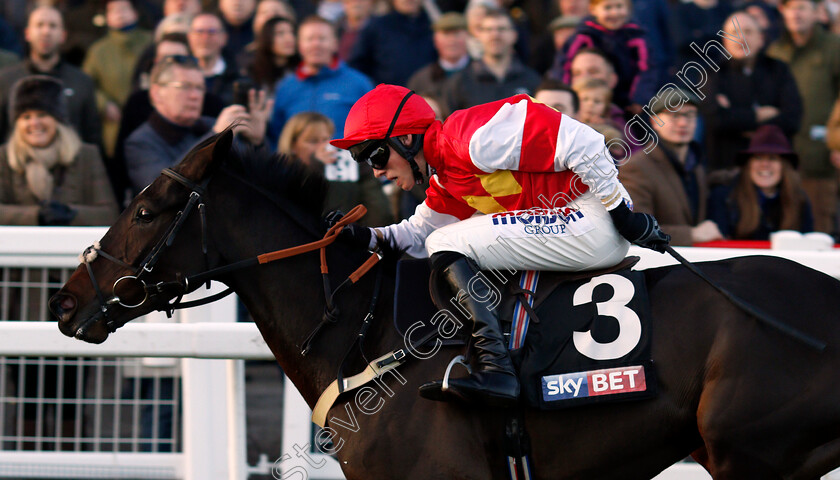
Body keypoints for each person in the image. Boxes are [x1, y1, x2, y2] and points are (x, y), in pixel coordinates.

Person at [329, 84, 669, 406]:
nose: (375, 172)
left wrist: (622, 214)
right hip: (578, 221)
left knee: (446, 241)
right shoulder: (448, 175)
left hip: (591, 218)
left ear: (405, 138)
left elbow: (588, 144)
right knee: (440, 240)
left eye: (374, 156)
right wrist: (366, 237)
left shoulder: (471, 137)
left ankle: (496, 370)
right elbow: (416, 235)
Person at [124, 56, 272, 194]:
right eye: (185, 87)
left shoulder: (213, 125)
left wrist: (256, 142)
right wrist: (214, 139)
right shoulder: (140, 142)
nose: (195, 96)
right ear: (157, 93)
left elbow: (258, 184)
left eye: (200, 88)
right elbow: (160, 191)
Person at [0, 76, 118, 226]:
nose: (34, 123)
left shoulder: (87, 155)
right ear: (17, 124)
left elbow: (109, 213)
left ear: (58, 119)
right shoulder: (3, 156)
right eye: (26, 117)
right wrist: (36, 215)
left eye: (42, 115)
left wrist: (70, 213)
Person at [767, 0, 840, 235]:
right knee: (784, 232)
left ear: (817, 12)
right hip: (781, 160)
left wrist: (837, 141)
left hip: (822, 158)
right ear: (782, 12)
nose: (795, 14)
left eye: (802, 7)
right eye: (790, 8)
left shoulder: (834, 47)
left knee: (819, 231)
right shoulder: (775, 50)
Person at [619, 91, 723, 246]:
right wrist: (692, 234)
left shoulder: (696, 165)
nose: (683, 123)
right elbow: (637, 228)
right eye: (674, 115)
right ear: (655, 121)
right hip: (656, 263)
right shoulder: (636, 167)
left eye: (690, 115)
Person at [704, 12, 802, 173]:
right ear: (724, 40)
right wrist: (758, 116)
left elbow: (792, 119)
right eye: (734, 33)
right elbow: (716, 120)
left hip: (774, 169)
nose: (741, 38)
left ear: (761, 38)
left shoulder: (779, 70)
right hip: (727, 168)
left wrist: (735, 117)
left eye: (748, 31)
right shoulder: (712, 74)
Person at [0, 6, 102, 148]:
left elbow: (92, 138)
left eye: (53, 26)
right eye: (39, 25)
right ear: (27, 33)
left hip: (72, 166)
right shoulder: (6, 80)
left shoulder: (82, 82)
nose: (46, 31)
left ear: (63, 35)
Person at [268, 15, 373, 141]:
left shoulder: (359, 84)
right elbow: (276, 137)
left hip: (344, 159)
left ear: (335, 44)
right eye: (309, 39)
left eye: (322, 39)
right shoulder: (286, 87)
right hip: (295, 161)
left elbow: (372, 132)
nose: (316, 44)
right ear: (299, 45)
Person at [278, 112, 393, 226]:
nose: (323, 147)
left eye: (325, 140)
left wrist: (363, 170)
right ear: (292, 145)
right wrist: (316, 168)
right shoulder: (281, 176)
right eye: (313, 141)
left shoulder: (346, 173)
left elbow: (379, 215)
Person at [707, 125, 813, 240]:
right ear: (748, 165)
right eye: (758, 158)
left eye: (772, 158)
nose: (764, 165)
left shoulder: (799, 199)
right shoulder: (724, 196)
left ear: (784, 167)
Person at [82, 0, 154, 159]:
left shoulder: (151, 42)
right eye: (113, 10)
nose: (119, 13)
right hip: (113, 124)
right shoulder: (98, 50)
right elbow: (86, 84)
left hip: (148, 117)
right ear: (107, 18)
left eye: (124, 9)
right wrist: (103, 104)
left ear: (135, 13)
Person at [555, 0, 654, 109]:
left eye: (619, 6)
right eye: (607, 8)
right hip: (588, 98)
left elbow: (647, 70)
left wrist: (638, 99)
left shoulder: (637, 37)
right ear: (593, 10)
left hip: (626, 102)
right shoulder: (584, 36)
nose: (614, 13)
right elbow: (564, 66)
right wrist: (567, 94)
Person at [442, 9, 540, 111]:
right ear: (479, 36)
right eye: (489, 30)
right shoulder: (459, 83)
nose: (495, 35)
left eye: (501, 29)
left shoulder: (532, 80)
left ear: (514, 35)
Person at [347, 0, 436, 86]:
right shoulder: (377, 26)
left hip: (425, 95)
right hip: (387, 96)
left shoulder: (433, 27)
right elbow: (358, 64)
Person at [407, 13, 471, 100]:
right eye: (446, 34)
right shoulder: (421, 80)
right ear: (435, 40)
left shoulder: (484, 75)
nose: (452, 40)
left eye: (456, 34)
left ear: (467, 37)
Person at [187, 12, 239, 105]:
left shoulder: (237, 79)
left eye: (211, 32)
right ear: (189, 37)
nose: (205, 38)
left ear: (224, 38)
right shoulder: (178, 77)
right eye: (199, 32)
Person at [239, 16, 298, 92]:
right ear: (267, 37)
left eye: (292, 32)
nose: (289, 38)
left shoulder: (301, 69)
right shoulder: (252, 72)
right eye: (280, 33)